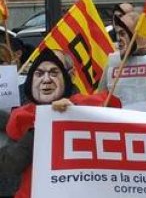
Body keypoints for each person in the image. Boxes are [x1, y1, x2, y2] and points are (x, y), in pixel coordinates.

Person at [0, 51, 121, 198]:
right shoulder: (21, 118)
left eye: (55, 71)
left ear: (69, 75)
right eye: (39, 73)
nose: (46, 80)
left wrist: (74, 114)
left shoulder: (92, 107)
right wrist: (45, 122)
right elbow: (11, 164)